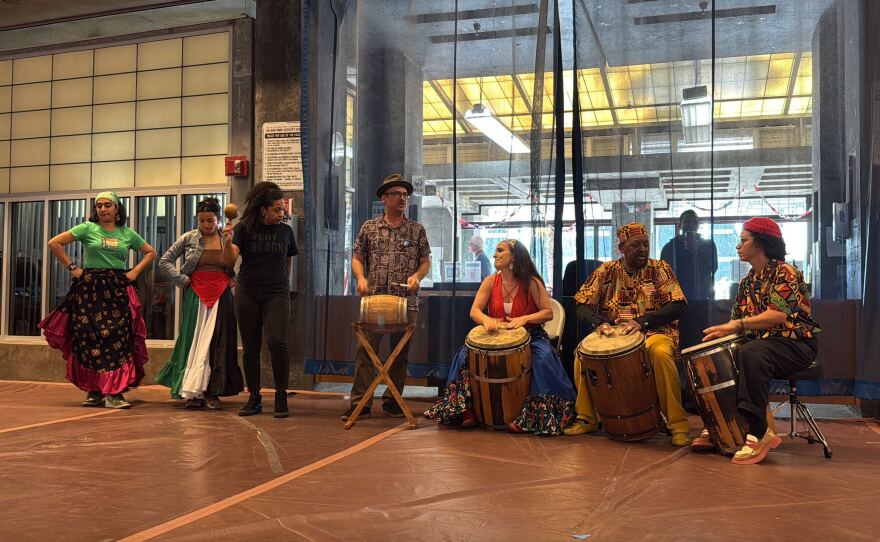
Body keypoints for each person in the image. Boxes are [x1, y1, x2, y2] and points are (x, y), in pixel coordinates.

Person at [699, 217, 820, 464]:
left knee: (752, 352)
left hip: (796, 345)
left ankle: (758, 431)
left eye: (743, 241)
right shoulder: (746, 283)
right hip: (762, 346)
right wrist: (720, 336)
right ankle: (722, 425)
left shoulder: (786, 272)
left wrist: (737, 325)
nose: (737, 246)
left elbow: (777, 315)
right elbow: (736, 323)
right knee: (722, 354)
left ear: (761, 243)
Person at [424, 239, 577, 436]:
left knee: (542, 358)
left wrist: (524, 319)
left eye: (500, 251)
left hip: (530, 336)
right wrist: (486, 320)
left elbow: (548, 313)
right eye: (495, 251)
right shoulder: (490, 281)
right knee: (463, 355)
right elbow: (475, 311)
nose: (495, 255)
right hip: (496, 335)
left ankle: (534, 416)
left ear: (514, 256)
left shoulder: (531, 282)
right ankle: (465, 411)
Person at [565, 223, 691, 446]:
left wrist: (643, 321)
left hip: (654, 331)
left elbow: (679, 304)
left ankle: (677, 423)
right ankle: (587, 417)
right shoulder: (606, 271)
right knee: (581, 354)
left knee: (661, 354)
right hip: (615, 333)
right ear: (622, 247)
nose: (643, 249)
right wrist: (598, 322)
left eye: (646, 244)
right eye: (636, 245)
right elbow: (580, 303)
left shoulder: (659, 268)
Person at [40, 192, 156, 409]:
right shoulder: (86, 228)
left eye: (108, 205)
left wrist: (134, 273)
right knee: (89, 338)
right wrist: (73, 269)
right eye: (99, 206)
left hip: (117, 289)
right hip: (89, 289)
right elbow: (54, 243)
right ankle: (94, 391)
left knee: (117, 338)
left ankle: (115, 393)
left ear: (117, 209)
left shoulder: (127, 233)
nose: (103, 209)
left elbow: (150, 252)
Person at [342, 173, 431, 421]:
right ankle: (361, 402)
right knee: (366, 350)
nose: (402, 198)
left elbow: (425, 262)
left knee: (399, 353)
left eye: (405, 195)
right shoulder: (369, 228)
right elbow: (357, 258)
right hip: (374, 300)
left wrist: (417, 277)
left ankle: (392, 401)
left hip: (406, 301)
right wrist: (361, 278)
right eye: (397, 194)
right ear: (385, 198)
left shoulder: (416, 230)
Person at [156, 197, 243, 409]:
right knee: (193, 340)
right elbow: (164, 261)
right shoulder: (188, 238)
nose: (206, 225)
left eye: (210, 220)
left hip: (221, 294)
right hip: (196, 293)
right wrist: (183, 279)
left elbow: (237, 262)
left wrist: (235, 279)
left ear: (218, 219)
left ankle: (214, 391)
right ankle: (193, 391)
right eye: (202, 220)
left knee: (219, 341)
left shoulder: (227, 238)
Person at [223, 182, 298, 418]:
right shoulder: (243, 229)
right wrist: (227, 240)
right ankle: (254, 397)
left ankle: (281, 395)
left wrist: (281, 283)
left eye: (282, 209)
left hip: (276, 291)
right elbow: (229, 260)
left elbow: (288, 262)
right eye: (276, 209)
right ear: (263, 209)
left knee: (277, 342)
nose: (281, 213)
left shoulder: (286, 231)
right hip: (248, 291)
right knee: (250, 347)